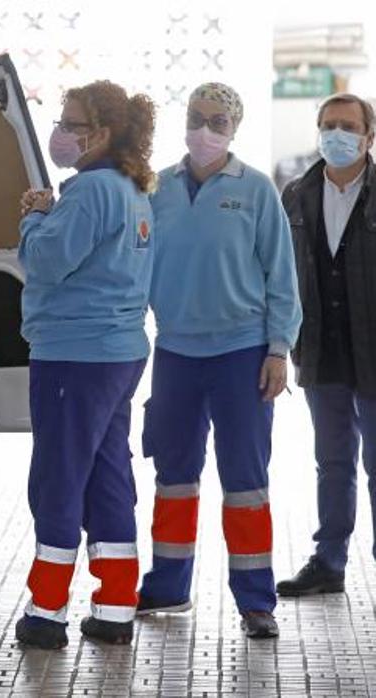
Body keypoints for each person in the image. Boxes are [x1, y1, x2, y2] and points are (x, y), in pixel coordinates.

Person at [136, 83, 302, 640]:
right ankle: (167, 588)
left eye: (218, 121)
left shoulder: (255, 190)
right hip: (177, 352)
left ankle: (256, 602)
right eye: (197, 117)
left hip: (243, 354)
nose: (206, 129)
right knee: (174, 478)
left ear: (235, 128)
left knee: (246, 482)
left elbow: (282, 277)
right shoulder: (156, 188)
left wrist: (279, 349)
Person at [14, 81, 157, 650]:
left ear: (100, 134)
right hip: (117, 351)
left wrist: (32, 218)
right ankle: (116, 604)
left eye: (71, 123)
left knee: (58, 477)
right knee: (106, 475)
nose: (62, 131)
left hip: (74, 354)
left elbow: (47, 261)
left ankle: (47, 610)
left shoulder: (91, 191)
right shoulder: (133, 189)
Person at [277, 94, 376, 598]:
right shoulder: (296, 194)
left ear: (369, 136)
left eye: (348, 126)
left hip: (373, 349)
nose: (337, 134)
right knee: (333, 460)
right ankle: (329, 561)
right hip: (322, 349)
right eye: (328, 125)